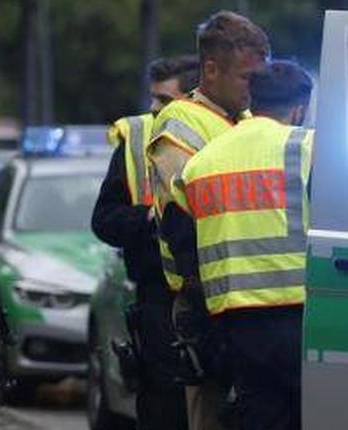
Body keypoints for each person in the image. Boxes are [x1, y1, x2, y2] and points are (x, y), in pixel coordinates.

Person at [170, 60, 312, 430]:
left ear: (253, 99)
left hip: (236, 323)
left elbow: (179, 237)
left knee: (260, 415)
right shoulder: (310, 148)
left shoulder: (201, 164)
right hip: (305, 314)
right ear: (299, 108)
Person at [146, 10, 269, 430]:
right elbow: (182, 220)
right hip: (204, 298)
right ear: (211, 70)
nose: (255, 88)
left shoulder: (250, 119)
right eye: (247, 78)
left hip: (254, 301)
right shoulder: (179, 123)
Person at [93, 54, 198, 430]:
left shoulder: (228, 131)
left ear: (193, 100)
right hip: (157, 297)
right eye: (152, 98)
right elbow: (103, 220)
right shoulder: (136, 139)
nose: (153, 109)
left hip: (215, 298)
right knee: (164, 407)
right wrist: (148, 218)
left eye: (164, 101)